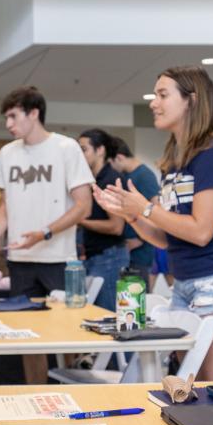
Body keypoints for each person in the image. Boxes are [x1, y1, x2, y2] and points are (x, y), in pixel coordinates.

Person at [94, 66, 213, 380]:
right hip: (186, 281)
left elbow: (200, 231)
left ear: (191, 101)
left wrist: (146, 208)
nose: (154, 103)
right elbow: (169, 239)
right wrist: (132, 213)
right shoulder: (179, 158)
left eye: (162, 95)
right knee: (188, 387)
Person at [0, 86, 93, 384]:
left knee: (67, 333)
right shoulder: (7, 153)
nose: (8, 124)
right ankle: (36, 393)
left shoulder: (66, 148)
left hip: (60, 259)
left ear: (34, 113)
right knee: (28, 337)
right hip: (20, 258)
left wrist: (44, 233)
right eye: (6, 117)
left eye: (13, 116)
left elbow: (83, 206)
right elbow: (7, 204)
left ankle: (72, 393)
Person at [77, 129, 127, 310]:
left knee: (107, 314)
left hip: (109, 257)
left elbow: (116, 226)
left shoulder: (112, 179)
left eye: (84, 149)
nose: (80, 155)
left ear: (100, 150)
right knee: (93, 314)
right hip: (94, 256)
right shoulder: (91, 181)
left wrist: (79, 221)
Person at [109, 137, 161, 287]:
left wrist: (139, 240)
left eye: (111, 163)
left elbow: (156, 210)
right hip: (129, 252)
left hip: (141, 252)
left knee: (138, 300)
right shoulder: (127, 176)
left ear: (119, 157)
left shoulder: (144, 175)